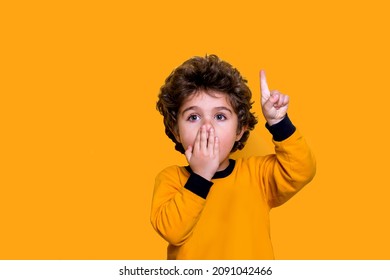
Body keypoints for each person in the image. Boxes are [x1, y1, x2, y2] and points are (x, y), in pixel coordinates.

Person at [150, 54, 316, 260]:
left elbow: (302, 170)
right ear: (176, 131)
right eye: (193, 117)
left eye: (220, 116)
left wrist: (279, 123)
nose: (207, 127)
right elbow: (172, 231)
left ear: (239, 130)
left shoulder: (257, 175)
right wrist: (200, 176)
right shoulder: (171, 179)